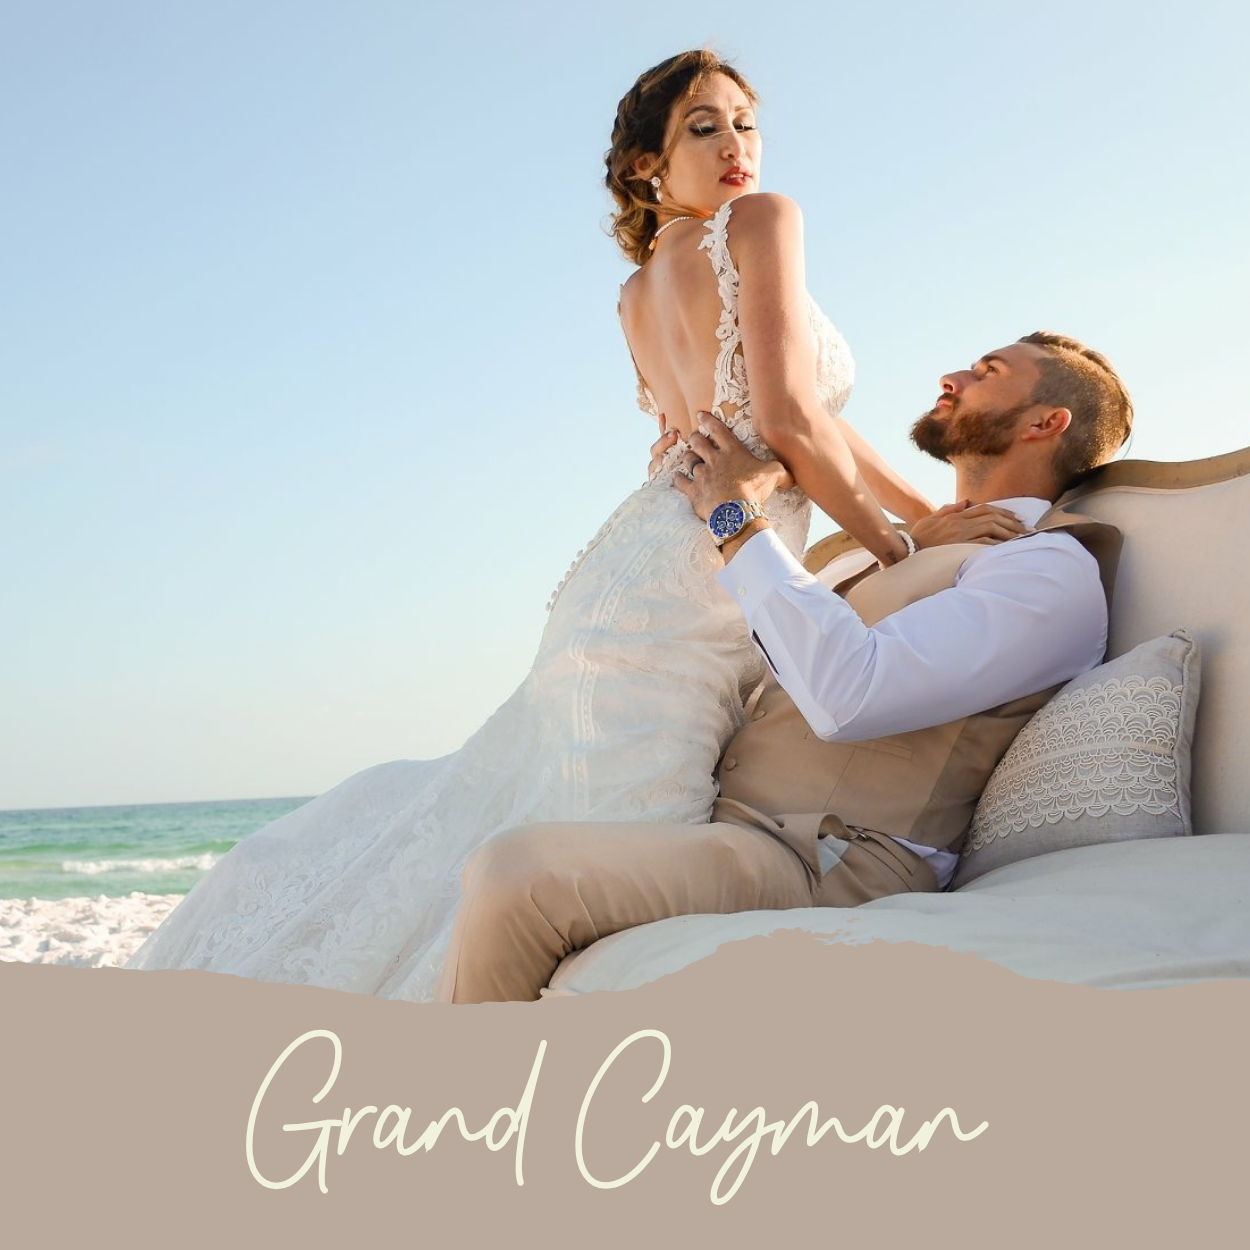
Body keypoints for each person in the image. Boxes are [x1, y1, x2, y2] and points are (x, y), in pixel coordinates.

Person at [125, 51, 1009, 997]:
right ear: (645, 166)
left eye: (746, 122)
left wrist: (933, 512)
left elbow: (786, 426)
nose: (737, 146)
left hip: (635, 577)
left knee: (590, 840)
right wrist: (904, 547)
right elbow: (789, 424)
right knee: (626, 857)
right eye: (702, 127)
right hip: (691, 586)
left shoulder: (634, 298)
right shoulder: (763, 221)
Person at [434, 331, 1134, 1003]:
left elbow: (849, 694)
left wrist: (734, 517)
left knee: (516, 874)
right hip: (729, 826)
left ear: (1048, 421)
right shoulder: (905, 550)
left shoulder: (1048, 569)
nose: (952, 378)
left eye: (988, 372)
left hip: (826, 860)